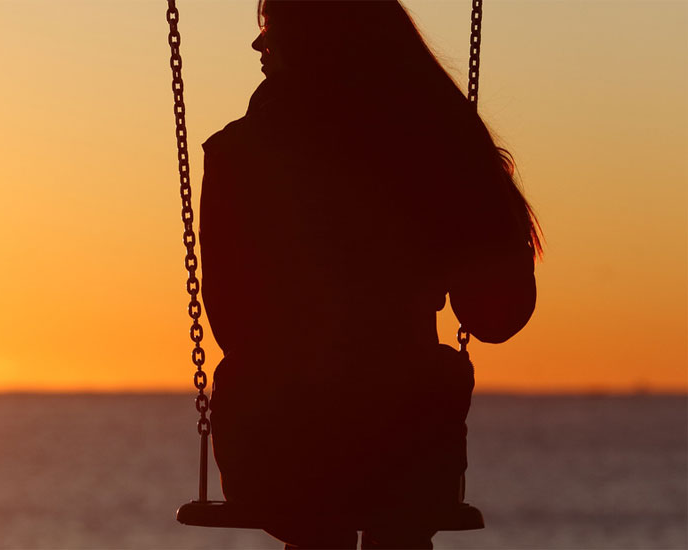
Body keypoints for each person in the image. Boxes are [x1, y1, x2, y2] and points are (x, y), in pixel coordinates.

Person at [200, 1, 540, 548]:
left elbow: (232, 326)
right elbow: (496, 316)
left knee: (312, 511)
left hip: (279, 451)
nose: (259, 47)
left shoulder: (239, 154)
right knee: (399, 508)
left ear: (319, 39)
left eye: (273, 29)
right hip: (409, 449)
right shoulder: (441, 147)